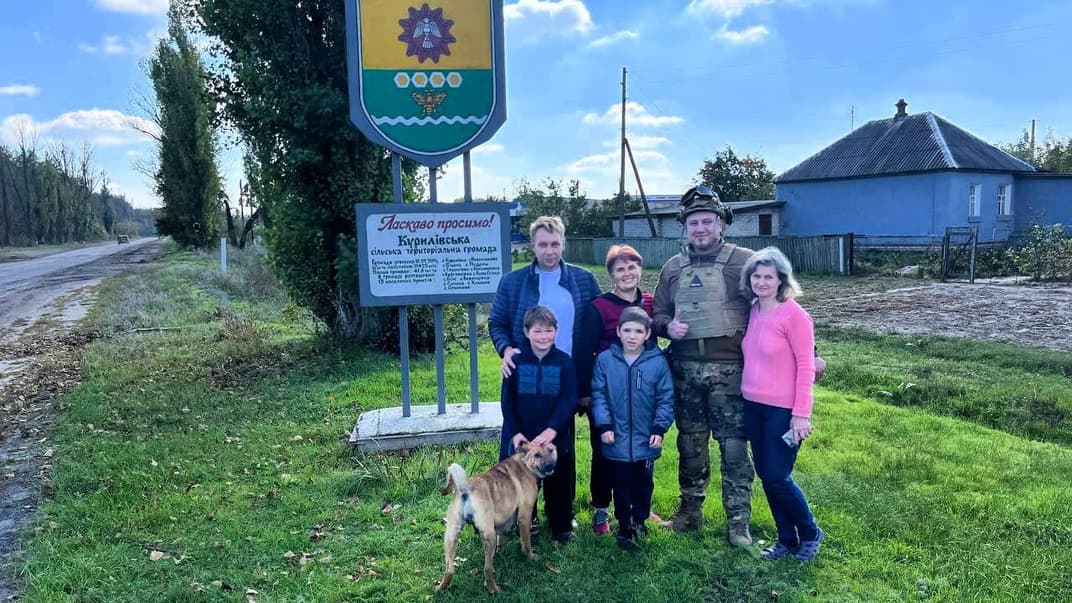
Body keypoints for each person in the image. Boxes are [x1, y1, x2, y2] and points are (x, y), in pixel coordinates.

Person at [489, 216, 601, 543]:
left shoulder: (583, 280)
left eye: (554, 244)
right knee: (520, 449)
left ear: (563, 243)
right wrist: (507, 348)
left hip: (564, 376)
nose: (549, 250)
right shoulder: (513, 283)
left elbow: (596, 327)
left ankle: (560, 519)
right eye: (542, 244)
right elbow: (496, 323)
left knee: (559, 449)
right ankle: (523, 516)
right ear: (532, 246)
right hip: (524, 376)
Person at [740, 247, 824, 562]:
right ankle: (786, 540)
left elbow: (807, 367)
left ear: (781, 281)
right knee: (766, 474)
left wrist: (800, 415)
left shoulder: (794, 315)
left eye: (768, 277)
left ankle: (810, 531)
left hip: (782, 411)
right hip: (752, 406)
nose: (761, 282)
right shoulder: (752, 310)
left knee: (777, 475)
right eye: (756, 276)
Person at [574, 245, 656, 536]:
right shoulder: (599, 307)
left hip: (640, 395)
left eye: (631, 267)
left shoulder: (649, 303)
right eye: (620, 269)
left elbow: (654, 347)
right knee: (606, 452)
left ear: (640, 269)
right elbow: (583, 351)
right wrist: (584, 393)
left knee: (638, 451)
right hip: (606, 393)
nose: (627, 273)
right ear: (611, 275)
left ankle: (636, 508)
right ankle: (600, 509)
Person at [590, 307, 675, 551]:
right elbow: (599, 395)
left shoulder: (657, 362)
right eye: (626, 330)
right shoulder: (605, 360)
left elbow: (665, 397)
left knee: (643, 483)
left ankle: (640, 520)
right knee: (621, 483)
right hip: (615, 438)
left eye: (638, 331)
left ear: (647, 334)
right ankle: (624, 525)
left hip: (646, 438)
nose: (632, 336)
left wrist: (659, 428)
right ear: (618, 331)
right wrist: (604, 425)